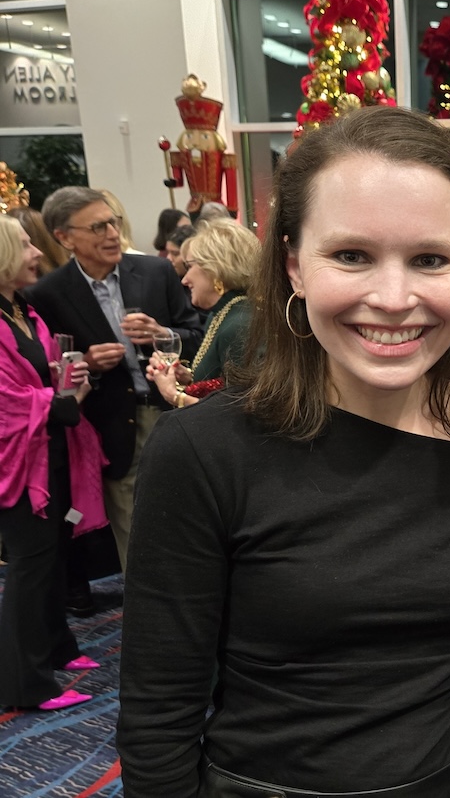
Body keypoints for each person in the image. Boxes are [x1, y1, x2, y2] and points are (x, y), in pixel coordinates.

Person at [117, 106, 450, 798]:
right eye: (351, 256)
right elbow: (159, 717)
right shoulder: (205, 451)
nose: (393, 298)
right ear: (293, 265)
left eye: (430, 259)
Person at [23, 186, 203, 571]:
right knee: (136, 532)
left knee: (196, 517)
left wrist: (162, 334)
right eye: (98, 227)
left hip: (175, 412)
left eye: (113, 222)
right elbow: (48, 373)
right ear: (64, 238)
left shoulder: (156, 272)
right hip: (113, 427)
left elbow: (199, 336)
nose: (112, 234)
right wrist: (86, 363)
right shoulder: (48, 295)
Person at [0, 215, 107, 711]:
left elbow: (39, 377)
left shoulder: (22, 309)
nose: (38, 252)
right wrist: (61, 397)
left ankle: (57, 647)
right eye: (26, 245)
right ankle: (26, 684)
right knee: (30, 567)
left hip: (51, 450)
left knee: (55, 555)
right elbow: (8, 403)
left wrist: (68, 376)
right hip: (18, 465)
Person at [147, 218, 257, 407]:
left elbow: (240, 412)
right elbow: (221, 386)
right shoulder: (222, 313)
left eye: (189, 267)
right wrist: (187, 378)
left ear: (215, 268)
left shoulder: (240, 323)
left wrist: (174, 395)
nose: (185, 280)